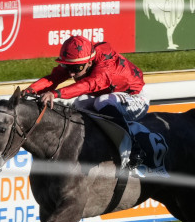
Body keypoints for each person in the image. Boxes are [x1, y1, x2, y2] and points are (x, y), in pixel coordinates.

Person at [27, 34, 150, 169]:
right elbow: (53, 78)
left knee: (102, 102)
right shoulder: (81, 61)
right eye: (68, 67)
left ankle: (133, 150)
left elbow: (87, 85)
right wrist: (29, 90)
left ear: (90, 62)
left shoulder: (105, 66)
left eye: (76, 69)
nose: (71, 74)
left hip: (136, 98)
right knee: (80, 103)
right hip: (113, 97)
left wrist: (55, 94)